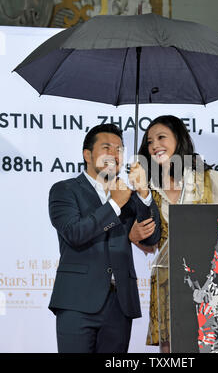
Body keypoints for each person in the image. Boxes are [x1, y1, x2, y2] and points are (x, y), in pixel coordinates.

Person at [48, 124, 161, 353]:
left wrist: (144, 193)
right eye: (106, 147)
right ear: (87, 154)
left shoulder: (129, 195)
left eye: (119, 149)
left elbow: (152, 238)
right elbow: (74, 233)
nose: (114, 154)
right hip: (77, 301)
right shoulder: (64, 190)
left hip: (119, 305)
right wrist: (114, 204)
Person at [129, 115, 218, 352]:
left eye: (161, 137)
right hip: (166, 281)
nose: (154, 145)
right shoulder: (146, 185)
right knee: (170, 349)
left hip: (206, 279)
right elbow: (150, 242)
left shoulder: (208, 178)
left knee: (208, 342)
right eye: (149, 141)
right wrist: (133, 235)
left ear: (179, 140)